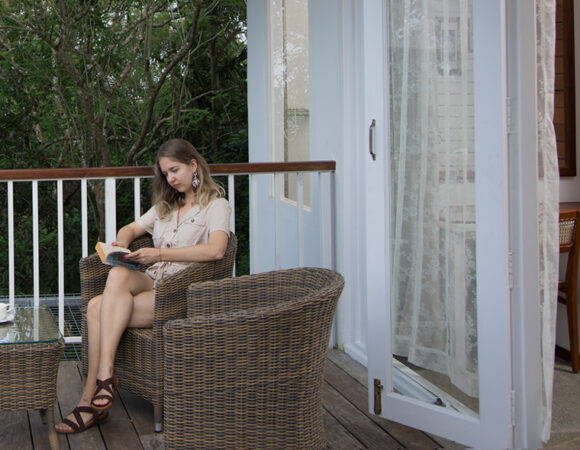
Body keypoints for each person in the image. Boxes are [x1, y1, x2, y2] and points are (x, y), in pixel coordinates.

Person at [56, 138, 231, 434]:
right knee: (119, 274)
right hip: (152, 280)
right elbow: (131, 228)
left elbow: (216, 251)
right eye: (165, 174)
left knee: (97, 308)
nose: (171, 179)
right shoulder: (165, 205)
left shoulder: (216, 205)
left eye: (175, 170)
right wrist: (121, 244)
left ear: (193, 164)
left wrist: (159, 253)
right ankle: (105, 380)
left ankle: (90, 399)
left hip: (179, 293)